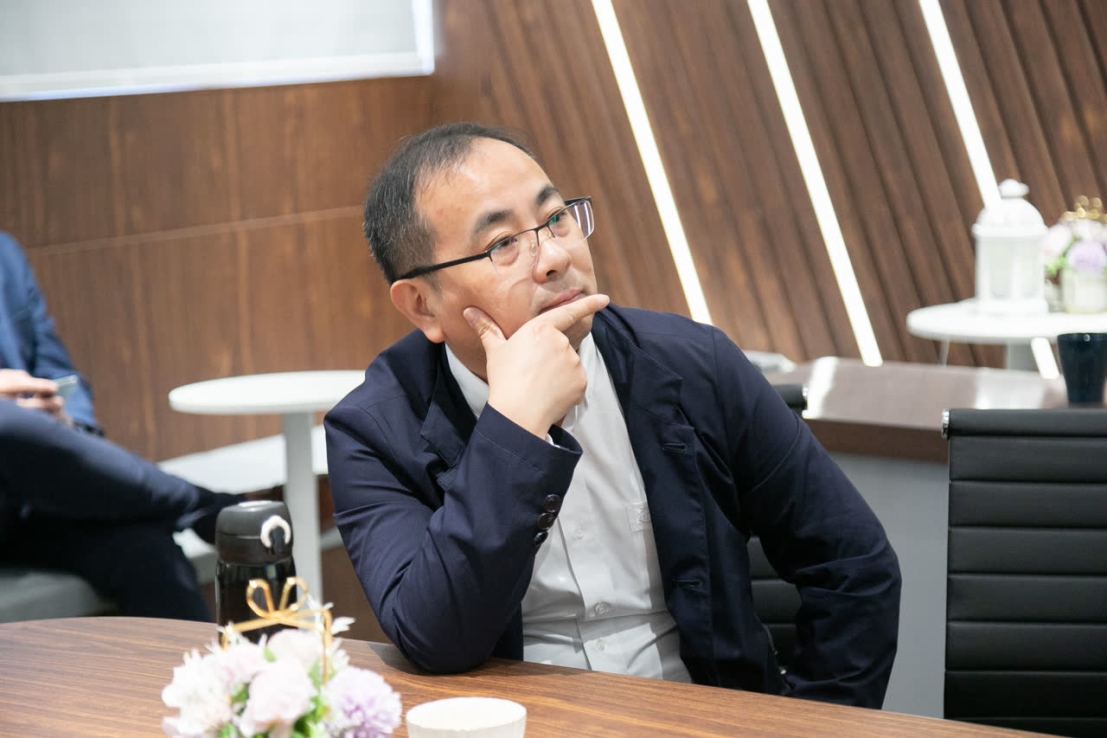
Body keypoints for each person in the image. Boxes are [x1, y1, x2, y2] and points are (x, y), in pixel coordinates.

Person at [325, 122, 902, 707]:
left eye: (556, 218)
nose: (555, 257)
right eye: (502, 244)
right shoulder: (373, 432)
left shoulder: (697, 366)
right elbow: (436, 637)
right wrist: (513, 429)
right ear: (423, 304)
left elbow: (854, 566)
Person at [0, 231, 238, 621]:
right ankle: (204, 506)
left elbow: (57, 370)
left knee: (147, 550)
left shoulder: (4, 252)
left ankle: (211, 668)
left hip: (36, 495)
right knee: (5, 420)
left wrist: (66, 424)